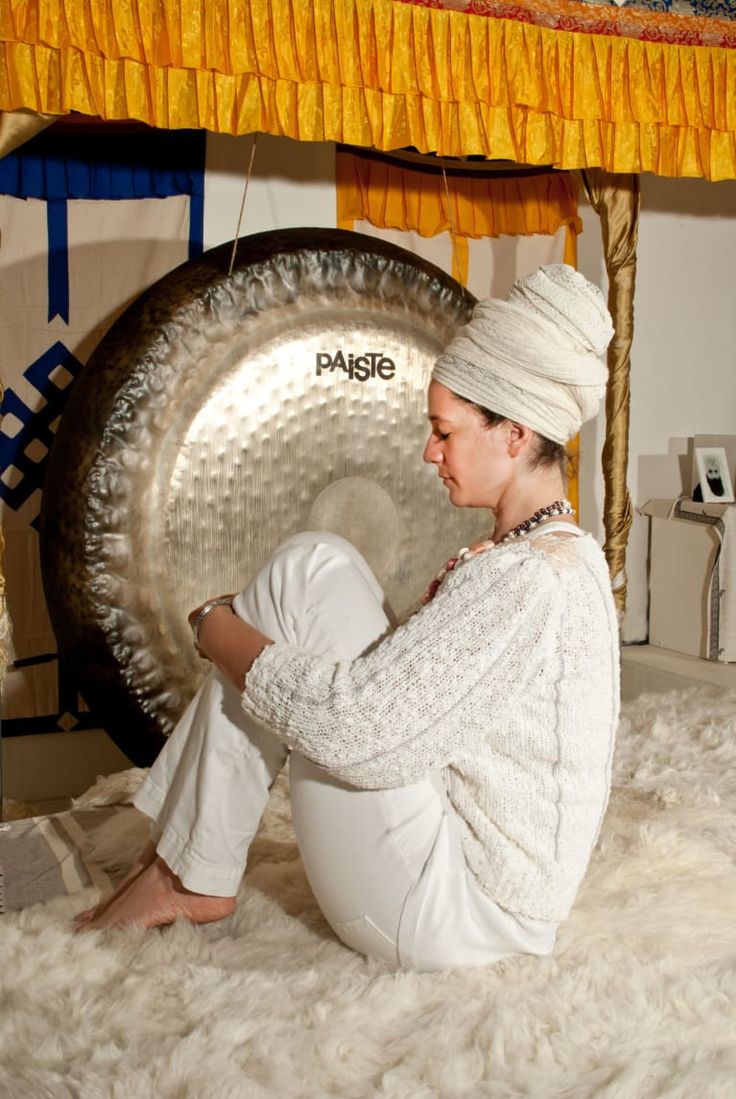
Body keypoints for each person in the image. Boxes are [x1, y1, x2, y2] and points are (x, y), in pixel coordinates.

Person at [77, 264, 620, 972]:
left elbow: (357, 731)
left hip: (449, 911)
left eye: (445, 431)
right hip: (469, 884)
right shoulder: (556, 558)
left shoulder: (526, 580)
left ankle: (188, 869)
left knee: (295, 604)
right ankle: (187, 860)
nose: (430, 450)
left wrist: (217, 628)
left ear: (515, 434)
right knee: (316, 562)